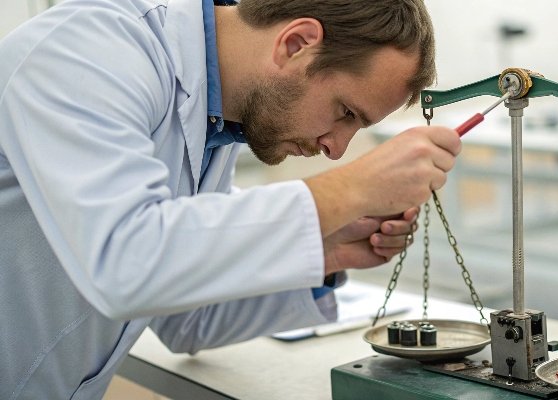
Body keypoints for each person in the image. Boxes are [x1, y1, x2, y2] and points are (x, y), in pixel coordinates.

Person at [0, 0, 460, 398]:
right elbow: (126, 260)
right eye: (345, 113)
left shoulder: (218, 121)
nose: (336, 148)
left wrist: (323, 253)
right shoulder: (89, 51)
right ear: (297, 42)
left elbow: (184, 318)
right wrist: (352, 187)